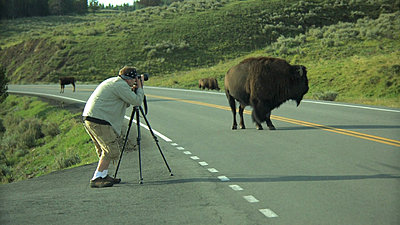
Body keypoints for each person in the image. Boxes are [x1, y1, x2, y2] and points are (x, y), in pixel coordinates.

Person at [82, 66, 144, 188]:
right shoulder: (120, 85)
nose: (135, 81)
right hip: (99, 120)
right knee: (111, 150)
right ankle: (96, 178)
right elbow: (136, 101)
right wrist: (140, 89)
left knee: (104, 150)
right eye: (134, 79)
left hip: (91, 118)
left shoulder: (114, 82)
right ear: (129, 78)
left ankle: (104, 175)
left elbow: (125, 103)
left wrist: (133, 90)